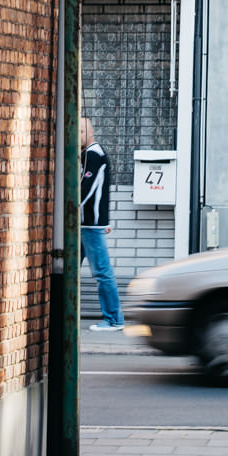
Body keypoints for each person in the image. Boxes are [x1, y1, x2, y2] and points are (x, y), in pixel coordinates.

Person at [81, 118, 125, 331]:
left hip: (90, 224)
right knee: (70, 270)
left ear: (89, 133)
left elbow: (86, 188)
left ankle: (114, 319)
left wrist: (67, 209)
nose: (77, 136)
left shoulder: (93, 154)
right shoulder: (89, 154)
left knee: (102, 272)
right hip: (85, 224)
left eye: (81, 132)